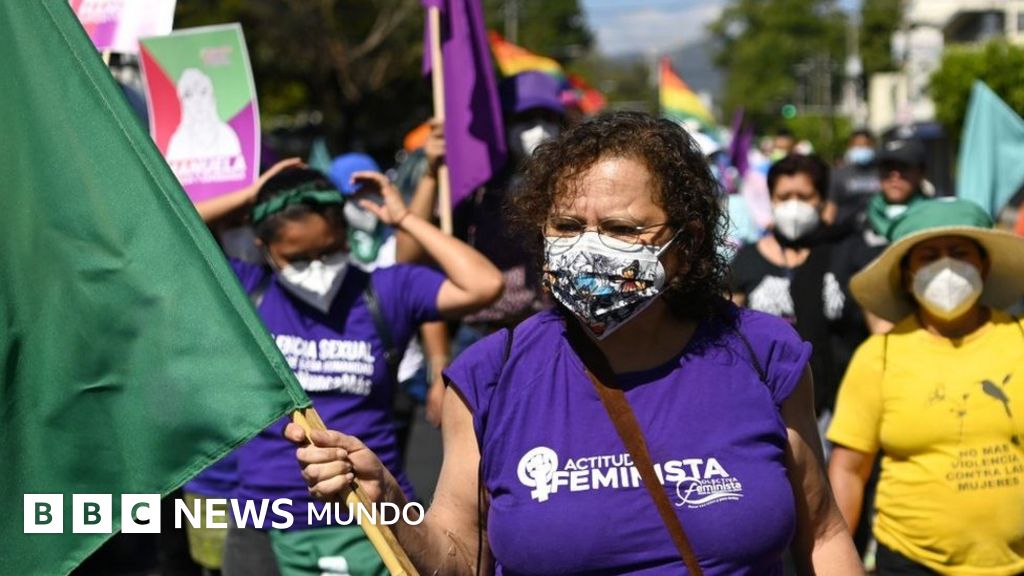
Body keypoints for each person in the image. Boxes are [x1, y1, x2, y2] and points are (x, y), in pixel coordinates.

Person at [286, 112, 862, 574]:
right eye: (565, 226)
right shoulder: (491, 374)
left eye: (621, 230)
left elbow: (825, 535)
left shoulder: (762, 355)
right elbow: (457, 560)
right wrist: (387, 500)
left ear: (684, 246)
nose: (587, 248)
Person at [196, 164, 503, 576]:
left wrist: (406, 219)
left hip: (376, 512)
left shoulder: (386, 291)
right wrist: (254, 194)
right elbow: (167, 233)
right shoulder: (247, 291)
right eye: (298, 258)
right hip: (266, 522)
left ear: (346, 236)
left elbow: (484, 285)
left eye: (330, 250)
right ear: (263, 247)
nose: (319, 268)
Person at [828, 198, 1024, 575]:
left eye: (959, 252)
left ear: (983, 263)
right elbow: (849, 471)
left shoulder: (1018, 338)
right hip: (911, 562)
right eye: (928, 256)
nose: (945, 266)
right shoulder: (879, 356)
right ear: (906, 273)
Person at [731, 154, 879, 424]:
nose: (794, 206)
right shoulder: (747, 260)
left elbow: (879, 330)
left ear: (822, 200)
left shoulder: (848, 250)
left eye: (804, 196)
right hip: (767, 406)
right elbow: (726, 332)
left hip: (842, 406)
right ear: (771, 200)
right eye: (784, 197)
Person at [450, 71, 566, 351]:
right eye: (526, 120)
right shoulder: (475, 186)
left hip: (549, 331)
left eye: (547, 119)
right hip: (483, 334)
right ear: (503, 124)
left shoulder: (572, 185)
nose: (539, 130)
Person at [866, 137, 931, 243]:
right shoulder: (860, 222)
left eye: (903, 167)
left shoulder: (936, 222)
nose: (894, 176)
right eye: (887, 168)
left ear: (921, 172)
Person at [829, 129, 882, 228]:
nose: (861, 149)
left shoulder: (882, 173)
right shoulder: (838, 174)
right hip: (846, 228)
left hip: (875, 227)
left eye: (865, 145)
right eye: (857, 146)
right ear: (850, 146)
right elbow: (831, 205)